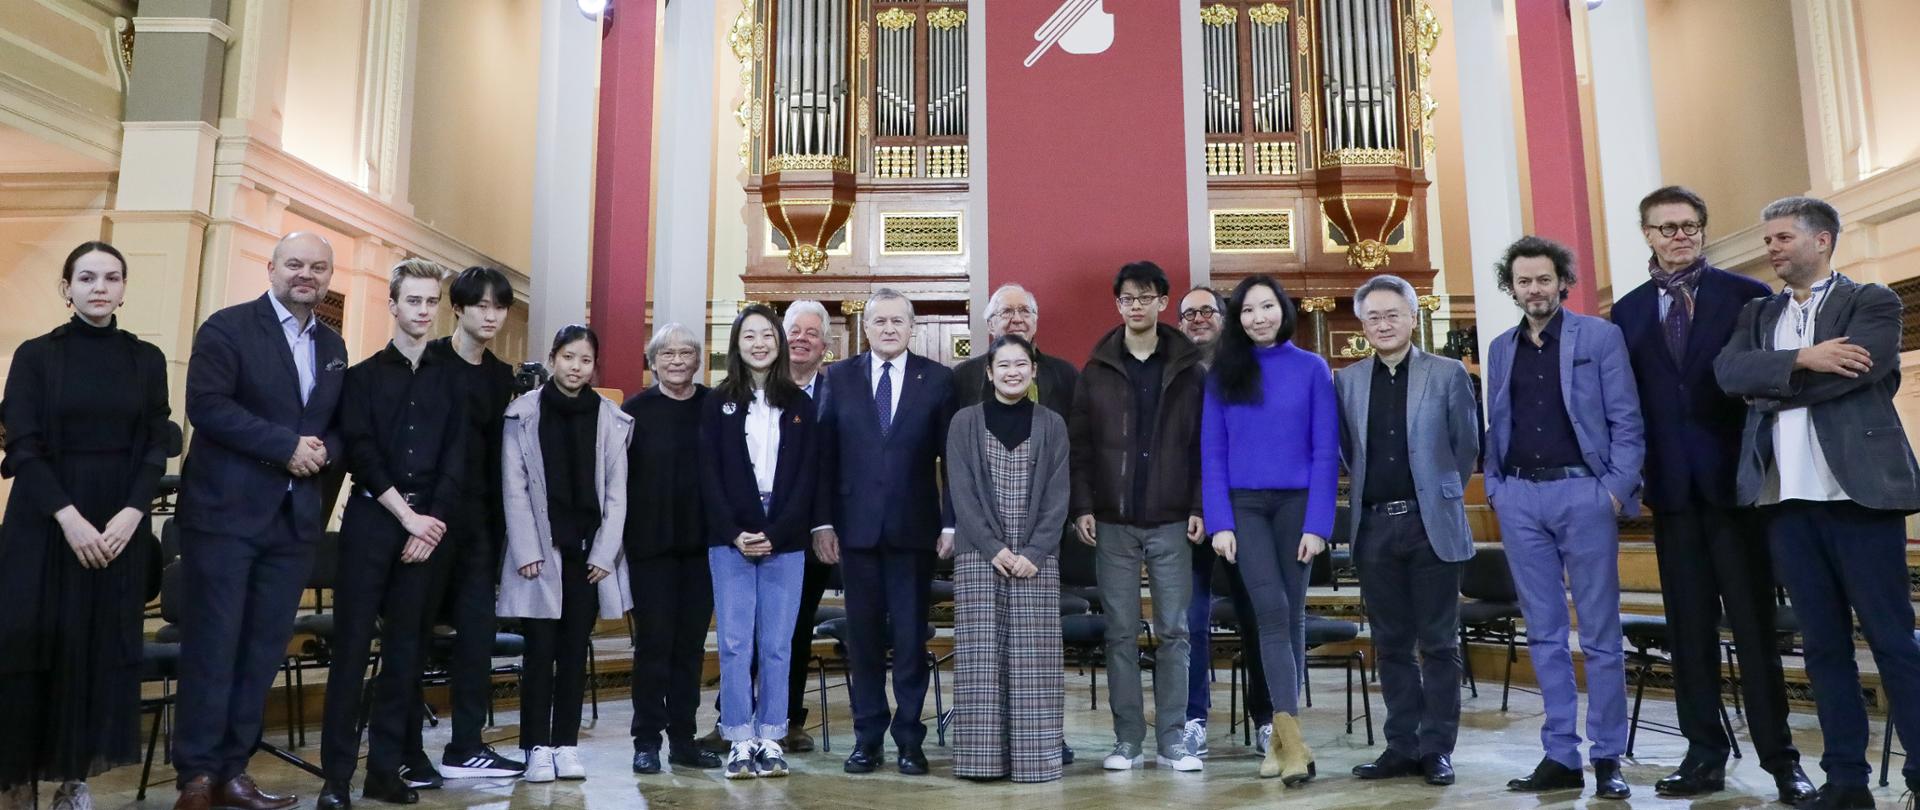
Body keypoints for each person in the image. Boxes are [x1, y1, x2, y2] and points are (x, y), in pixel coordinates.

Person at [1714, 196, 1920, 810]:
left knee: (1892, 641)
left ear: (1822, 240)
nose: (1771, 249)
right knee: (1823, 646)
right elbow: (1729, 373)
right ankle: (1846, 782)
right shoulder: (1756, 312)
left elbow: (1864, 367)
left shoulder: (1871, 301)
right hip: (1786, 504)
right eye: (1768, 238)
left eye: (1781, 238)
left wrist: (1770, 385)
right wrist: (1803, 357)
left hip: (1861, 500)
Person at [1611, 187, 1811, 803]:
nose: (1678, 236)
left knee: (1754, 633)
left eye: (1689, 226)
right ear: (1646, 233)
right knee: (1689, 631)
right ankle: (1703, 755)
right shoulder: (1627, 312)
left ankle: (1782, 761)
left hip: (1736, 487)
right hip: (1671, 493)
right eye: (1665, 227)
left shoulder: (1747, 296)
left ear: (1702, 229)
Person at [173, 232, 348, 810]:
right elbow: (208, 406)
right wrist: (286, 447)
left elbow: (335, 423)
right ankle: (197, 776)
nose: (306, 274)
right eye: (294, 264)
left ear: (328, 277)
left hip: (291, 523)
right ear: (271, 268)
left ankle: (234, 771)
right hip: (226, 516)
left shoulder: (332, 344)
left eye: (317, 267)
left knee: (261, 650)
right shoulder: (227, 327)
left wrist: (325, 451)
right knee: (214, 645)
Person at [0, 242, 173, 810]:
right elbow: (23, 446)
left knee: (93, 648)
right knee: (31, 650)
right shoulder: (34, 355)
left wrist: (131, 514)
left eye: (112, 277)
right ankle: (20, 780)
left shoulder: (145, 359)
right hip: (45, 519)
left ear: (124, 287)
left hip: (118, 521)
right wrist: (69, 519)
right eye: (87, 277)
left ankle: (73, 779)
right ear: (67, 287)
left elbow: (155, 444)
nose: (100, 287)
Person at [1483, 235, 1642, 801]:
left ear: (1561, 282)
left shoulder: (1599, 336)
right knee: (1545, 635)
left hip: (1585, 494)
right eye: (1524, 281)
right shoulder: (1502, 346)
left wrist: (1614, 492)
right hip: (1521, 498)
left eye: (1543, 279)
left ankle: (1606, 757)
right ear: (1512, 287)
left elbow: (1626, 418)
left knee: (1601, 635)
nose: (1535, 289)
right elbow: (1496, 423)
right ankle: (1559, 755)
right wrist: (1497, 488)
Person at [318, 261, 468, 810]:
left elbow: (458, 459)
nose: (423, 312)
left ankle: (384, 771)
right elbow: (362, 453)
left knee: (406, 656)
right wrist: (408, 519)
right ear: (394, 304)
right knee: (351, 653)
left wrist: (430, 526)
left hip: (428, 530)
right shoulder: (359, 377)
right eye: (414, 301)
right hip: (373, 523)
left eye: (432, 302)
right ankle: (335, 780)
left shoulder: (452, 380)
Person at [1336, 275, 1479, 787]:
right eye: (1373, 316)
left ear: (1413, 318)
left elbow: (1466, 447)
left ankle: (1437, 747)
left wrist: (1437, 496)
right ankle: (1400, 745)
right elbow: (1348, 452)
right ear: (1362, 325)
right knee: (1391, 644)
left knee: (1439, 644)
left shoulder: (1446, 374)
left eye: (1393, 313)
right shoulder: (1347, 381)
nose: (1383, 323)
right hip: (1374, 525)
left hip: (1431, 526)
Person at [811, 288, 956, 777]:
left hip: (916, 532)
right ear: (865, 328)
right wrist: (823, 521)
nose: (889, 329)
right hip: (854, 533)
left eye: (898, 321)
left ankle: (910, 741)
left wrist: (951, 521)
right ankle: (867, 738)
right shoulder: (839, 377)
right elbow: (823, 457)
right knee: (865, 641)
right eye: (880, 321)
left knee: (912, 642)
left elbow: (951, 460)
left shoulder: (937, 379)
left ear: (912, 327)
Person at [1069, 261, 1206, 773]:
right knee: (1119, 633)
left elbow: (1202, 447)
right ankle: (1127, 739)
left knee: (1174, 630)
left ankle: (1173, 738)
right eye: (1128, 298)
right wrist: (1082, 505)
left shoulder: (1191, 368)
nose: (1136, 306)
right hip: (1113, 519)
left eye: (1146, 297)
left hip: (1173, 519)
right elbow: (1080, 445)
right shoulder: (1098, 366)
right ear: (1118, 304)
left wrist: (1198, 507)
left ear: (1163, 302)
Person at [1202, 275, 1337, 785]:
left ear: (1283, 310)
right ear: (1237, 320)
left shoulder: (1312, 368)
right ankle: (1294, 741)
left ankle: (1284, 740)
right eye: (1248, 310)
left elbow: (1326, 451)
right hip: (1244, 507)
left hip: (1298, 506)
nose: (1259, 317)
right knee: (1273, 611)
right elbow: (1211, 452)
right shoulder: (1223, 373)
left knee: (1292, 615)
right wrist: (1219, 521)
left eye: (1267, 306)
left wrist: (1319, 524)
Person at [497, 326, 634, 783]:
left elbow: (617, 494)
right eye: (569, 357)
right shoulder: (522, 413)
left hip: (589, 557)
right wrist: (526, 549)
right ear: (553, 358)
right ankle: (536, 745)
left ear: (595, 365)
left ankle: (567, 745)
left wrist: (604, 552)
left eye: (586, 360)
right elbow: (513, 486)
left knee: (576, 651)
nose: (577, 367)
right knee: (540, 653)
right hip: (540, 553)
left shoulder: (610, 418)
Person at [700, 305, 824, 779]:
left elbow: (807, 478)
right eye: (748, 335)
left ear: (778, 343)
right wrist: (736, 533)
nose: (758, 343)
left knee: (776, 643)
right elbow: (708, 476)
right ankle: (737, 737)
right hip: (730, 538)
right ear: (737, 343)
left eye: (766, 335)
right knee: (734, 643)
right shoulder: (717, 402)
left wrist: (775, 534)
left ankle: (771, 735)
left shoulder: (799, 404)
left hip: (785, 540)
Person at [948, 334, 1071, 783]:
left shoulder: (1052, 424)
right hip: (979, 558)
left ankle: (1035, 760)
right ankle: (981, 762)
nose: (1013, 372)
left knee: (1033, 662)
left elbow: (1059, 497)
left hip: (1037, 561)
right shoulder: (963, 423)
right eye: (1003, 365)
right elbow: (960, 493)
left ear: (1033, 370)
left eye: (1021, 364)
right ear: (989, 372)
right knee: (982, 661)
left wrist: (1034, 551)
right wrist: (994, 548)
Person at [416, 266, 524, 781]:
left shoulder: (502, 377)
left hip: (481, 524)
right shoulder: (427, 360)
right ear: (456, 308)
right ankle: (404, 750)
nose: (489, 314)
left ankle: (466, 745)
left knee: (477, 636)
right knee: (411, 636)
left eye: (498, 307)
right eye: (479, 304)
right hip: (428, 522)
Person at [1173, 284, 1273, 760]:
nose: (1197, 319)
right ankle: (1194, 718)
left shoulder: (1252, 366)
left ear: (1224, 317)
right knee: (1190, 621)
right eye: (1188, 313)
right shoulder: (1171, 372)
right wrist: (1196, 506)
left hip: (1246, 511)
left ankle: (1267, 719)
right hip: (1188, 516)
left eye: (1206, 311)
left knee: (1256, 617)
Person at [624, 324, 721, 775]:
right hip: (650, 548)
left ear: (699, 359)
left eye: (686, 352)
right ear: (653, 359)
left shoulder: (715, 407)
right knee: (653, 646)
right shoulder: (634, 411)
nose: (678, 360)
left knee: (690, 648)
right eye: (668, 353)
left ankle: (683, 738)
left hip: (702, 547)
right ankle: (646, 741)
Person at [951, 284, 1080, 414]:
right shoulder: (963, 376)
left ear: (1035, 322)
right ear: (990, 325)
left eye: (1025, 311)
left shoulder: (1065, 374)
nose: (1017, 319)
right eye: (1007, 311)